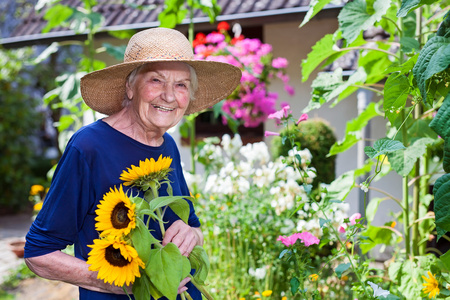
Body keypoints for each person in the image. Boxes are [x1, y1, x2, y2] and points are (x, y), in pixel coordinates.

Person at [24, 27, 242, 300]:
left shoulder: (168, 145)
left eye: (181, 84)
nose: (169, 96)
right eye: (156, 80)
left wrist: (191, 235)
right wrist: (126, 284)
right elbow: (38, 254)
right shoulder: (89, 147)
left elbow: (193, 225)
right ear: (130, 86)